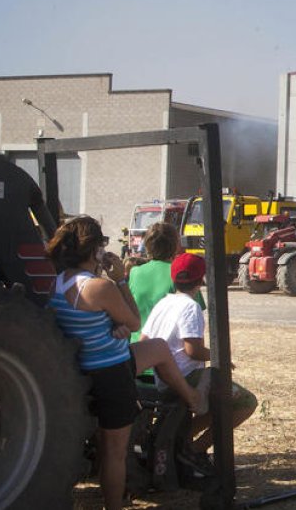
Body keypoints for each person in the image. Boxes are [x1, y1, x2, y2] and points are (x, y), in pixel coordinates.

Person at [45, 216, 207, 510]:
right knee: (114, 453)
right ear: (95, 250)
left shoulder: (55, 283)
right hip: (110, 371)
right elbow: (133, 321)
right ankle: (114, 505)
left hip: (82, 367)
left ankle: (190, 396)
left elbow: (82, 323)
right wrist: (119, 279)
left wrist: (110, 324)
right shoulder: (98, 288)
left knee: (158, 347)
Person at [141, 253, 258, 464]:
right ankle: (193, 450)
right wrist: (219, 357)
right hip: (186, 377)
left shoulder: (163, 303)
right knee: (246, 403)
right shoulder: (190, 307)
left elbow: (144, 340)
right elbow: (192, 350)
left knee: (219, 406)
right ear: (201, 279)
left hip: (164, 379)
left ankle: (179, 441)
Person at [128, 221, 182, 343]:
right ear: (175, 244)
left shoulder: (135, 273)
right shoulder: (179, 273)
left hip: (138, 347)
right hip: (168, 349)